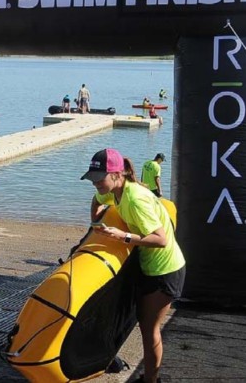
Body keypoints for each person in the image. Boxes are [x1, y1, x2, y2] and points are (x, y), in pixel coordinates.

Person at [81, 148, 185, 383]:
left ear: (117, 174)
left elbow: (161, 239)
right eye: (92, 178)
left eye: (99, 178)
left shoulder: (135, 199)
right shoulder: (115, 192)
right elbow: (97, 199)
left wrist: (122, 236)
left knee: (150, 331)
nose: (95, 183)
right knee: (142, 323)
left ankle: (151, 381)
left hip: (166, 270)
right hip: (149, 267)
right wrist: (95, 221)